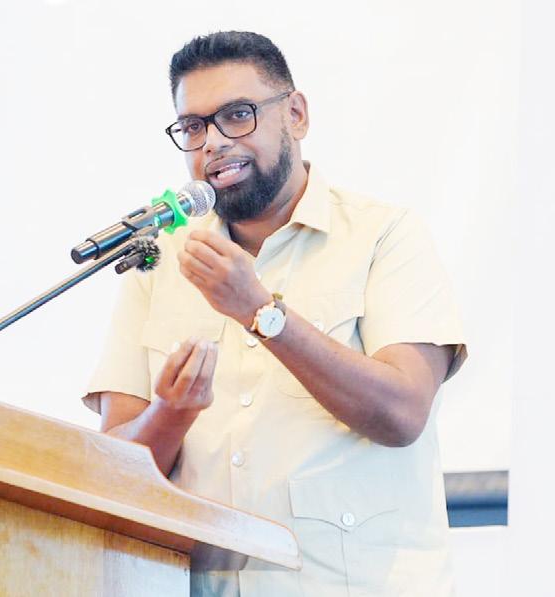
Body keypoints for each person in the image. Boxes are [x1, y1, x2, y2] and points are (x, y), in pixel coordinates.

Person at [82, 31, 467, 596]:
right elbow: (116, 473)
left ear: (296, 114)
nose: (213, 142)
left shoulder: (384, 234)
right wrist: (171, 412)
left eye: (237, 115)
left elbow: (403, 413)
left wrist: (261, 312)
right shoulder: (160, 258)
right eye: (193, 127)